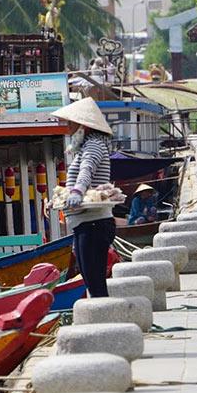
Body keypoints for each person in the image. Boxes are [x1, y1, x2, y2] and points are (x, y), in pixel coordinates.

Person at [51, 97, 115, 298]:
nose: (68, 128)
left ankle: (106, 325)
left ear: (84, 126)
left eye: (71, 123)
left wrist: (78, 190)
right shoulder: (85, 146)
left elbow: (87, 169)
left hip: (94, 222)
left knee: (95, 281)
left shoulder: (94, 145)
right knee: (89, 278)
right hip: (83, 222)